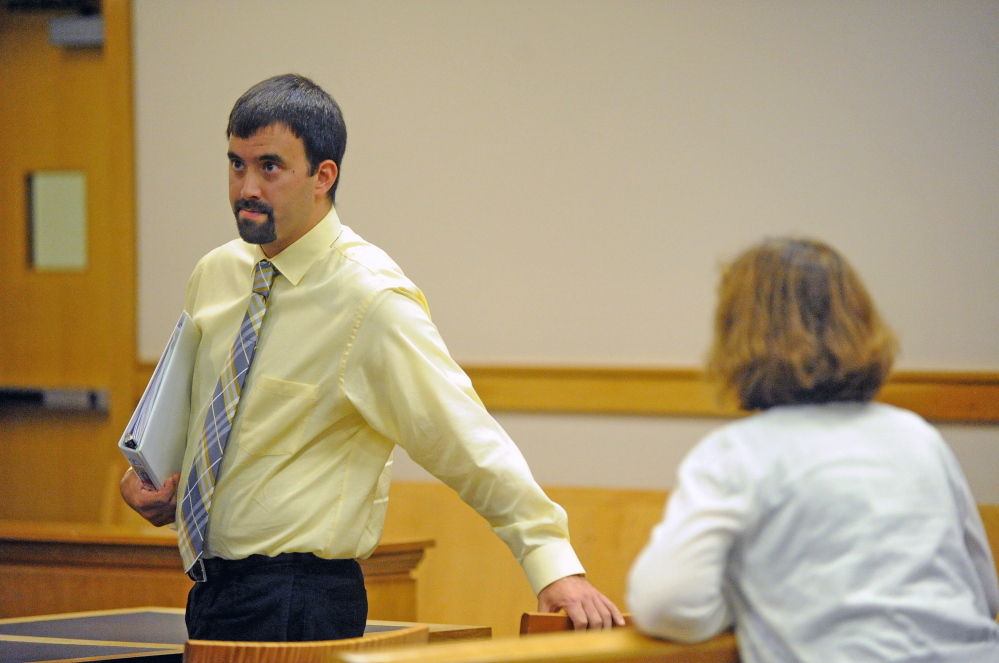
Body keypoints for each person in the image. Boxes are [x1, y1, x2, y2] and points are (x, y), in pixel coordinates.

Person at [121, 73, 623, 642]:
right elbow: (190, 413)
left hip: (299, 598)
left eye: (270, 167)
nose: (245, 188)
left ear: (323, 176)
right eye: (236, 165)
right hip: (211, 590)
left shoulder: (370, 298)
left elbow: (463, 436)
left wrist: (554, 562)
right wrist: (151, 477)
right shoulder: (216, 274)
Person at [626, 238, 999, 662]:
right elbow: (982, 593)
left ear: (735, 332)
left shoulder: (737, 454)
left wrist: (749, 611)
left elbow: (666, 605)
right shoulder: (918, 437)